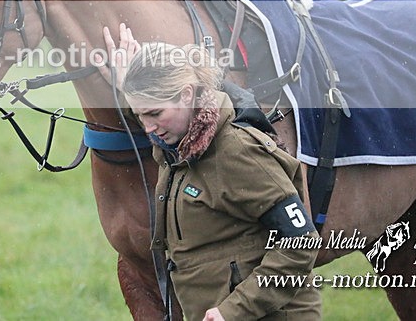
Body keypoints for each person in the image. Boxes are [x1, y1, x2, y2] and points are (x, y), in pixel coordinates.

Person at [99, 23, 321, 320]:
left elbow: (301, 243)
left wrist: (232, 311)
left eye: (154, 113)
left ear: (187, 95)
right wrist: (129, 84)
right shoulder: (177, 142)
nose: (149, 128)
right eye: (141, 115)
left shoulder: (238, 152)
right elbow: (152, 117)